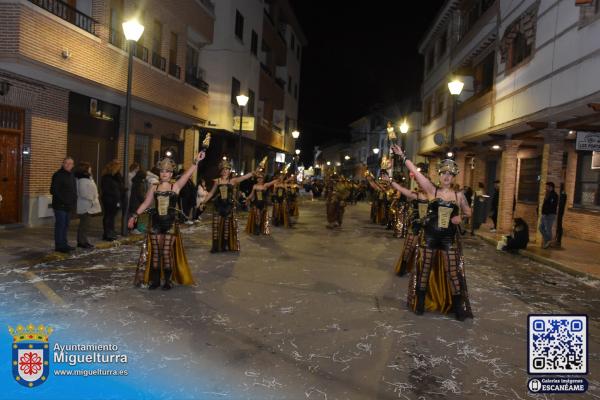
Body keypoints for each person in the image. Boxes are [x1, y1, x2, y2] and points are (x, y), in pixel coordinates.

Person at [391, 144, 473, 321]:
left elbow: (468, 212)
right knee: (424, 269)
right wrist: (402, 156)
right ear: (439, 175)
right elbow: (416, 172)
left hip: (448, 238)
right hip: (429, 236)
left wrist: (462, 218)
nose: (446, 176)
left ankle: (459, 308)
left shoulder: (459, 196)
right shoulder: (430, 190)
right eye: (443, 173)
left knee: (452, 271)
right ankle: (420, 304)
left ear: (453, 177)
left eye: (450, 174)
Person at [128, 151, 205, 289]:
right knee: (156, 252)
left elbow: (187, 174)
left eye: (168, 171)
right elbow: (146, 203)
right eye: (162, 171)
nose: (164, 173)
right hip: (156, 222)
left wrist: (196, 161)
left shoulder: (175, 186)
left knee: (166, 251)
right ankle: (156, 280)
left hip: (170, 223)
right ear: (159, 173)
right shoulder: (154, 186)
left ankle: (168, 281)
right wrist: (134, 216)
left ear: (171, 174)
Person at [199, 158, 256, 252]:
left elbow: (244, 177)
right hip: (218, 206)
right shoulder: (217, 181)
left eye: (227, 169)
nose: (225, 171)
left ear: (229, 171)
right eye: (223, 169)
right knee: (215, 226)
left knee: (226, 227)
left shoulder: (232, 181)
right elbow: (211, 193)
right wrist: (203, 202)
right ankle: (215, 246)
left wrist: (252, 173)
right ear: (220, 171)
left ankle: (225, 245)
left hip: (228, 206)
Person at [50, 157, 77, 253]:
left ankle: (64, 244)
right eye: (67, 163)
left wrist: (74, 200)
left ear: (73, 165)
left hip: (69, 205)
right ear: (63, 164)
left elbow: (74, 190)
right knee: (60, 225)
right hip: (60, 205)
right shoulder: (58, 175)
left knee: (66, 225)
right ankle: (59, 245)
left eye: (71, 163)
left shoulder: (71, 175)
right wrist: (64, 200)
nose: (69, 165)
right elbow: (53, 190)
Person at [75, 162, 102, 248]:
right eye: (89, 168)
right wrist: (92, 198)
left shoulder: (88, 178)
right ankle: (81, 241)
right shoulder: (82, 180)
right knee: (84, 224)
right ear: (85, 169)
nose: (91, 169)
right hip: (86, 205)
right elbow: (83, 193)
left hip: (89, 204)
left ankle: (84, 240)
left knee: (86, 224)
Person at [246, 168, 277, 235]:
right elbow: (252, 194)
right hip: (256, 203)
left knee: (262, 216)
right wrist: (247, 198)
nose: (259, 179)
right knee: (257, 215)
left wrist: (277, 179)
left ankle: (261, 228)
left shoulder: (265, 185)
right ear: (257, 179)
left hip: (263, 203)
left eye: (261, 178)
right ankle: (257, 228)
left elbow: (272, 182)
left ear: (263, 179)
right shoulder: (255, 186)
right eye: (258, 178)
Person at [100, 160, 124, 241]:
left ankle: (111, 232)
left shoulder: (116, 176)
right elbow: (106, 189)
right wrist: (115, 194)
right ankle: (107, 233)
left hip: (115, 199)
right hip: (109, 200)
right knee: (108, 216)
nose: (119, 170)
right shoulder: (107, 177)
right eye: (118, 168)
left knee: (112, 217)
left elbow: (120, 186)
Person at [129, 167, 148, 234]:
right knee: (135, 214)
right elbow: (139, 193)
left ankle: (134, 228)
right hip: (135, 202)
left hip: (134, 201)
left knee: (135, 215)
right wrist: (144, 201)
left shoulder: (136, 181)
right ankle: (134, 228)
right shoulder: (138, 183)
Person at [540, 181, 558, 249]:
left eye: (547, 187)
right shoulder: (547, 194)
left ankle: (548, 241)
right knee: (540, 228)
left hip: (549, 215)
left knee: (548, 229)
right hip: (544, 214)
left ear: (551, 187)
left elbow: (552, 206)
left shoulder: (554, 195)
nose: (546, 188)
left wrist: (546, 213)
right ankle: (548, 240)